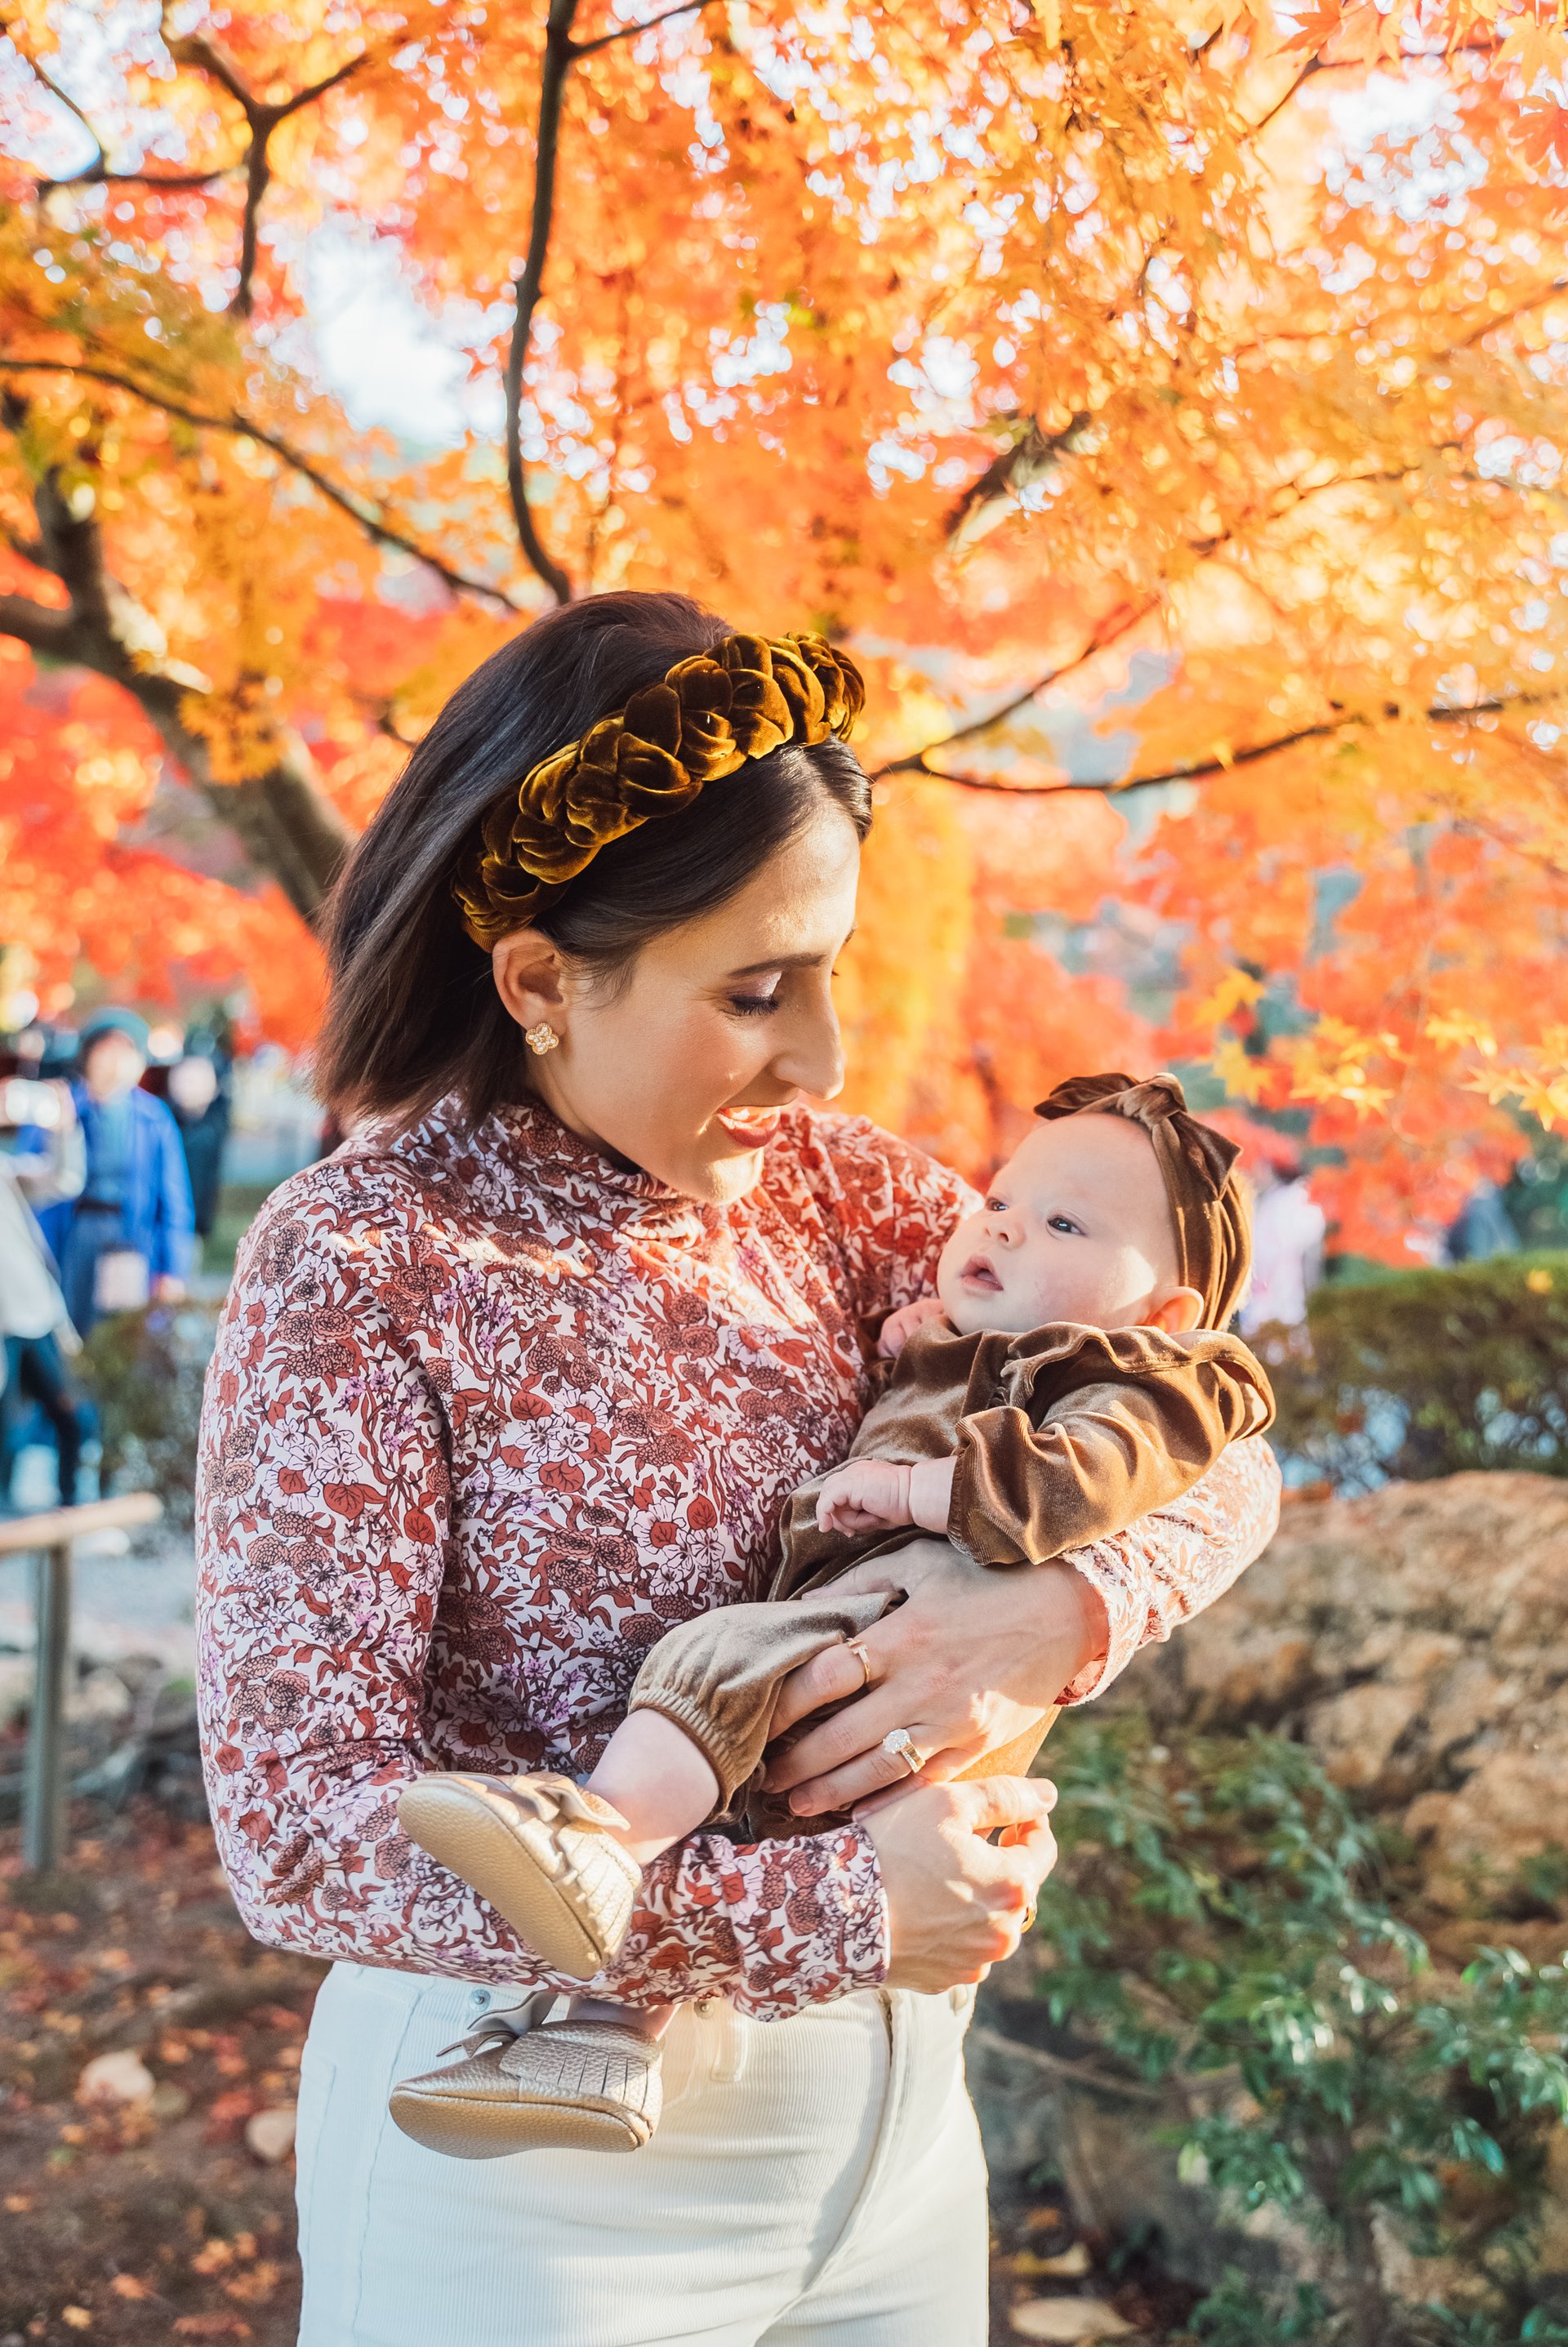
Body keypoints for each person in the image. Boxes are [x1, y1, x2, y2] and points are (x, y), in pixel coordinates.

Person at [195, 595, 1281, 2347]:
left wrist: (1063, 1609)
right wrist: (836, 1912)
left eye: (831, 972)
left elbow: (1218, 1436)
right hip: (527, 2184)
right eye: (757, 991)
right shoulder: (364, 1259)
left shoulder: (848, 1196)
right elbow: (294, 1831)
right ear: (542, 979)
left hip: (896, 2148)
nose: (827, 1056)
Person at [391, 1070, 1275, 2157]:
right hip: (829, 1678)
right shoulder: (374, 1229)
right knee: (731, 1769)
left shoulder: (1146, 1382)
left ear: (1166, 1315)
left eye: (1060, 1221)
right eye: (1000, 1196)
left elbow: (1121, 1480)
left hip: (858, 1634)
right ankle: (601, 2042)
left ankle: (606, 1840)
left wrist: (1062, 1599)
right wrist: (931, 1338)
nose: (996, 1222)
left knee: (711, 1661)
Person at [36, 1009, 195, 1335]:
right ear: (88, 1056)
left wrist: (172, 1270)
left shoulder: (153, 1118)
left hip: (128, 1238)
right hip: (70, 1236)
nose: (116, 1061)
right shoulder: (59, 1107)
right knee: (63, 1332)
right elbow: (33, 1181)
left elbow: (174, 1200)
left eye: (127, 1051)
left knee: (120, 1337)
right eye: (107, 1049)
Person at [0, 1080, 92, 1510]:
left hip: (33, 1315)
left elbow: (64, 1179)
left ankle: (70, 1506)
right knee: (6, 1433)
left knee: (71, 1415)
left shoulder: (5, 1170)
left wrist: (63, 1128)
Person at [1237, 1151, 1326, 1341]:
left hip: (1283, 1275)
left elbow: (1293, 1241)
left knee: (1286, 1327)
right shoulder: (1274, 1197)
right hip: (1266, 1277)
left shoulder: (1295, 1195)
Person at [165, 1051, 230, 1243]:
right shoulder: (161, 1122)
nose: (187, 1086)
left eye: (196, 1080)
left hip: (194, 1223)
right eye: (183, 1079)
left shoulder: (215, 1125)